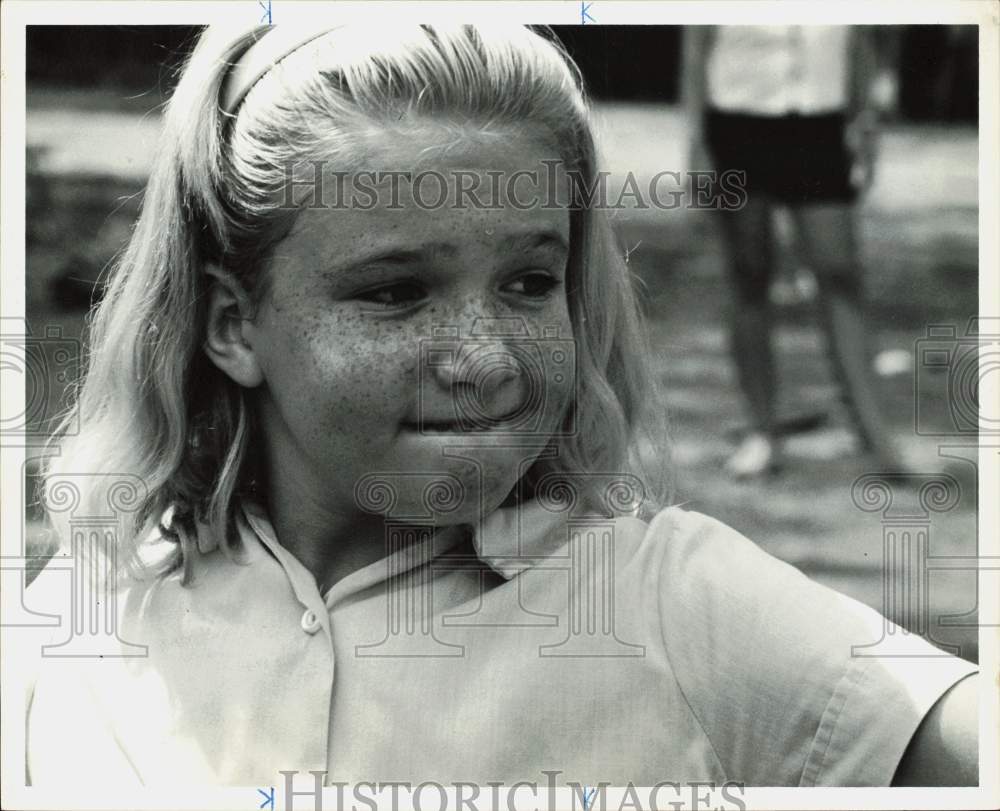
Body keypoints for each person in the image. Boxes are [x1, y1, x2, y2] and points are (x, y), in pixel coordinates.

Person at [22, 24, 977, 789]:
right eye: (394, 292)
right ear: (234, 325)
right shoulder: (95, 599)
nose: (485, 362)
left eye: (529, 282)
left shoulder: (671, 603)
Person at [683, 25, 905, 478]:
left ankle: (875, 437)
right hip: (738, 120)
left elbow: (857, 35)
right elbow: (697, 45)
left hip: (819, 124)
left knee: (840, 271)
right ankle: (762, 433)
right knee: (749, 275)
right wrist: (697, 139)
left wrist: (864, 119)